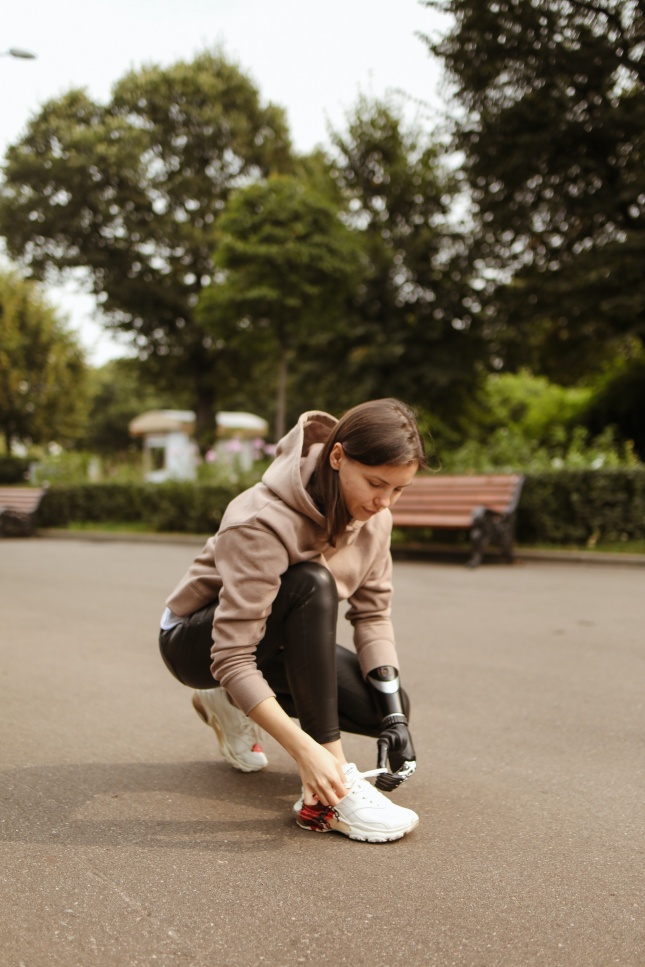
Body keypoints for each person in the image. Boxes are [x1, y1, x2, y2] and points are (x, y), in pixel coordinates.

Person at [159, 398, 426, 843]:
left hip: (275, 642)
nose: (384, 502)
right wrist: (310, 752)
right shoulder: (260, 519)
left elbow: (373, 614)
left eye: (399, 490)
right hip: (196, 644)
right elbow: (231, 655)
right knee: (310, 582)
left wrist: (395, 717)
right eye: (375, 483)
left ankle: (231, 702)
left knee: (380, 707)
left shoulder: (376, 520)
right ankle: (329, 794)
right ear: (337, 457)